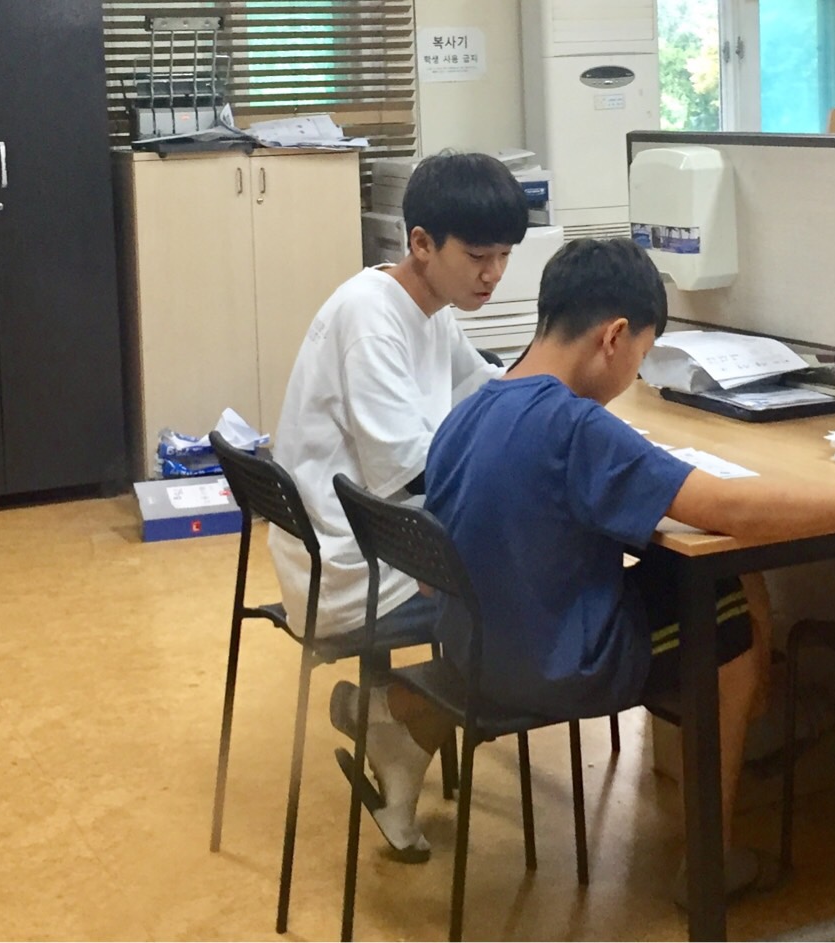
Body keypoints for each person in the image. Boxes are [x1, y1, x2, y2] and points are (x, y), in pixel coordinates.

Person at [410, 237, 835, 900]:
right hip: (552, 667)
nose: (633, 377)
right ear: (613, 337)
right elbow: (731, 509)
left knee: (699, 581)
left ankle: (742, 745)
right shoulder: (575, 427)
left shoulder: (474, 407)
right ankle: (711, 859)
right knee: (726, 613)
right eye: (641, 355)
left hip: (473, 648)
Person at [268, 151, 528, 861]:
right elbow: (406, 474)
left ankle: (394, 735)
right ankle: (393, 712)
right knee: (521, 602)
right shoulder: (372, 316)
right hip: (347, 565)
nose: (493, 274)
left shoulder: (429, 311)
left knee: (512, 576)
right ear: (421, 243)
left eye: (505, 256)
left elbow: (484, 391)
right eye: (478, 256)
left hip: (374, 537)